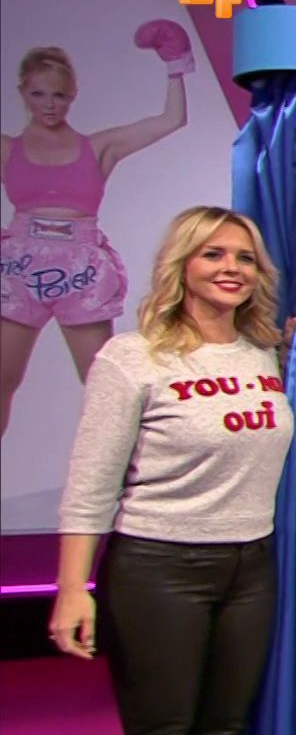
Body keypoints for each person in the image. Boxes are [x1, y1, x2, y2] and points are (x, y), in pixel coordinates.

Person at [47, 206, 293, 735]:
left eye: (243, 257)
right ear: (181, 265)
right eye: (213, 254)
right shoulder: (133, 358)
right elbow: (91, 484)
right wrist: (71, 589)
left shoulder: (264, 356)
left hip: (250, 566)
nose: (230, 268)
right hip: (158, 568)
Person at [3, 25, 194, 437]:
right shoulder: (7, 149)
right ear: (23, 93)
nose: (49, 105)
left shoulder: (98, 147)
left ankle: (127, 472)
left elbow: (172, 119)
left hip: (81, 269)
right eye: (38, 93)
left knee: (105, 387)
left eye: (58, 95)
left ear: (73, 95)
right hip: (18, 268)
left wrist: (175, 66)